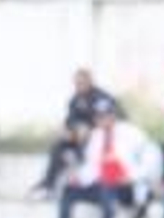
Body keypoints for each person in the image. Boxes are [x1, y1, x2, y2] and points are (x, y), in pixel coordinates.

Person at [56, 99, 161, 218]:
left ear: (113, 115)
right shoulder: (96, 136)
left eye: (106, 115)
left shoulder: (132, 132)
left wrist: (133, 177)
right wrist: (78, 177)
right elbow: (92, 167)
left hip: (127, 186)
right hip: (103, 184)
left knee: (107, 188)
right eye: (98, 116)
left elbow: (153, 156)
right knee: (68, 189)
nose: (102, 119)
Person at [33, 69, 116, 197]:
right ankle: (48, 184)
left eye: (81, 83)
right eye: (76, 83)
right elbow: (70, 121)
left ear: (90, 81)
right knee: (58, 146)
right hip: (78, 137)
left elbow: (107, 120)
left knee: (83, 150)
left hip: (99, 139)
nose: (78, 86)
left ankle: (85, 184)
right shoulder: (74, 99)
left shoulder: (102, 97)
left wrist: (90, 130)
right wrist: (66, 131)